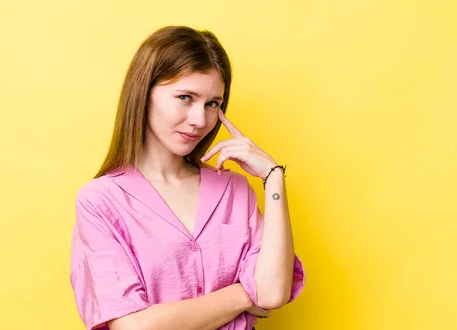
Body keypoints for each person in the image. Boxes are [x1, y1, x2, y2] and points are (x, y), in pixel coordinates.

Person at [69, 25, 305, 330]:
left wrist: (274, 178)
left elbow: (272, 292)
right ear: (144, 93)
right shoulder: (101, 201)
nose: (199, 120)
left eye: (213, 104)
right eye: (185, 97)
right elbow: (133, 327)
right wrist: (243, 295)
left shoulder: (233, 189)